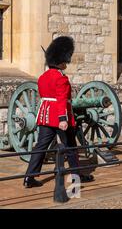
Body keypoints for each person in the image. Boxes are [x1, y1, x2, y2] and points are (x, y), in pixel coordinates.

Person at [24, 36, 94, 188]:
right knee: (71, 147)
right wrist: (63, 118)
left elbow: (45, 97)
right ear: (61, 61)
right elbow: (62, 99)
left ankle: (29, 177)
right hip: (59, 116)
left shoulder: (42, 77)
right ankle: (76, 176)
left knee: (40, 146)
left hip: (46, 115)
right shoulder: (61, 78)